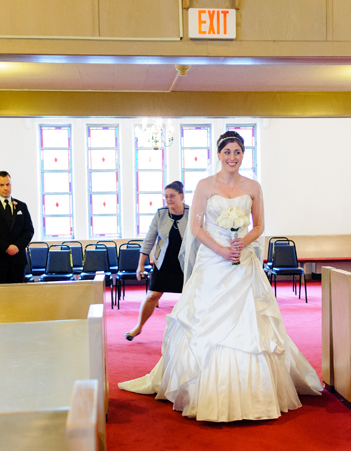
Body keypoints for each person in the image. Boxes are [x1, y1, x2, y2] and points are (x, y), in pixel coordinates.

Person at [119, 131, 323, 421]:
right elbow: (196, 228)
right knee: (205, 321)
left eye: (237, 152)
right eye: (227, 152)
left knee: (250, 322)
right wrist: (220, 250)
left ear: (243, 154)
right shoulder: (204, 186)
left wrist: (243, 241)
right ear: (219, 154)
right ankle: (199, 386)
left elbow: (259, 224)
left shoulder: (253, 186)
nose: (232, 157)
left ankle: (255, 392)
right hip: (212, 261)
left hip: (242, 260)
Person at [125, 181, 189, 341]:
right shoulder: (161, 214)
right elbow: (149, 239)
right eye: (166, 197)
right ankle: (138, 327)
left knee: (190, 296)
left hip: (186, 263)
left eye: (172, 196)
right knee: (153, 295)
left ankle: (190, 332)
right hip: (164, 262)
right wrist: (141, 264)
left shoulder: (192, 212)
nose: (169, 200)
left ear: (181, 195)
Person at [0, 171, 34, 284]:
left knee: (18, 296)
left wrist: (17, 247)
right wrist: (6, 247)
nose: (6, 188)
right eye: (1, 185)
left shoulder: (21, 206)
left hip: (18, 259)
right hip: (1, 258)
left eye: (8, 184)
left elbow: (29, 230)